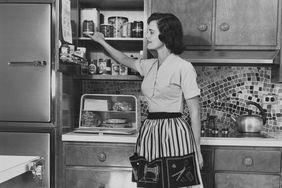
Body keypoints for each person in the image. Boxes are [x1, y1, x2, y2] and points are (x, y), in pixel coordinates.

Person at [88, 12, 203, 188]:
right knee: (149, 181)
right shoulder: (149, 65)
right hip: (150, 131)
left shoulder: (184, 67)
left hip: (174, 132)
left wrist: (197, 150)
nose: (146, 36)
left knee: (176, 182)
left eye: (150, 32)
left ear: (165, 35)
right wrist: (102, 41)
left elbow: (195, 112)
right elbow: (124, 59)